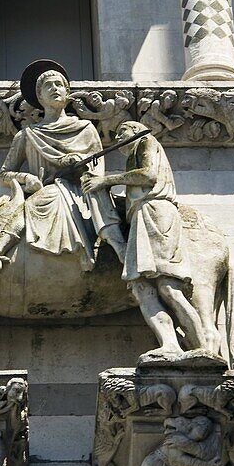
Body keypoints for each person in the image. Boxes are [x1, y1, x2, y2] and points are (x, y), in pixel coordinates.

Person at [0, 60, 127, 272]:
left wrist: (78, 164)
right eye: (48, 86)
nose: (55, 89)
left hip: (83, 190)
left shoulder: (85, 128)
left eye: (59, 85)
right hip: (48, 190)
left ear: (67, 92)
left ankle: (120, 247)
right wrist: (26, 179)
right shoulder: (27, 135)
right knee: (45, 198)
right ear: (39, 97)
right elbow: (4, 174)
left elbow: (97, 166)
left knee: (86, 193)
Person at [81, 119, 211, 360]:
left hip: (155, 213)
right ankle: (170, 344)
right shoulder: (132, 156)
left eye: (122, 132)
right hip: (141, 216)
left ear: (136, 131)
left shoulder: (145, 142)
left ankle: (203, 348)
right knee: (142, 289)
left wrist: (106, 180)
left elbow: (148, 175)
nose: (118, 138)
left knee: (168, 288)